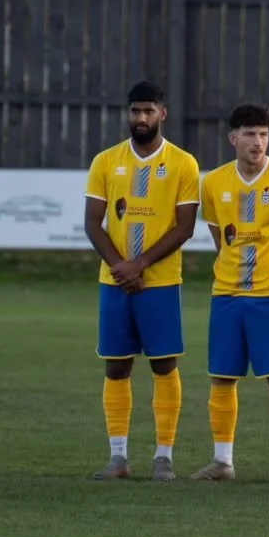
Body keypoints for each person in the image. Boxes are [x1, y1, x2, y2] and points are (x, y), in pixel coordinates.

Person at [85, 81, 201, 483]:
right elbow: (92, 222)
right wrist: (121, 266)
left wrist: (141, 264)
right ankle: (118, 457)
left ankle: (163, 456)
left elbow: (184, 227)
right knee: (116, 365)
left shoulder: (183, 163)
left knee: (164, 363)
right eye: (135, 111)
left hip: (161, 282)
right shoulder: (106, 161)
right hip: (115, 281)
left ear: (162, 114)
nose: (141, 118)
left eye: (148, 111)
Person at [190, 104, 269, 487]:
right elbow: (220, 238)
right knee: (222, 378)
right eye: (250, 134)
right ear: (233, 138)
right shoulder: (213, 184)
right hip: (226, 295)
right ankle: (222, 461)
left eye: (263, 134)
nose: (258, 142)